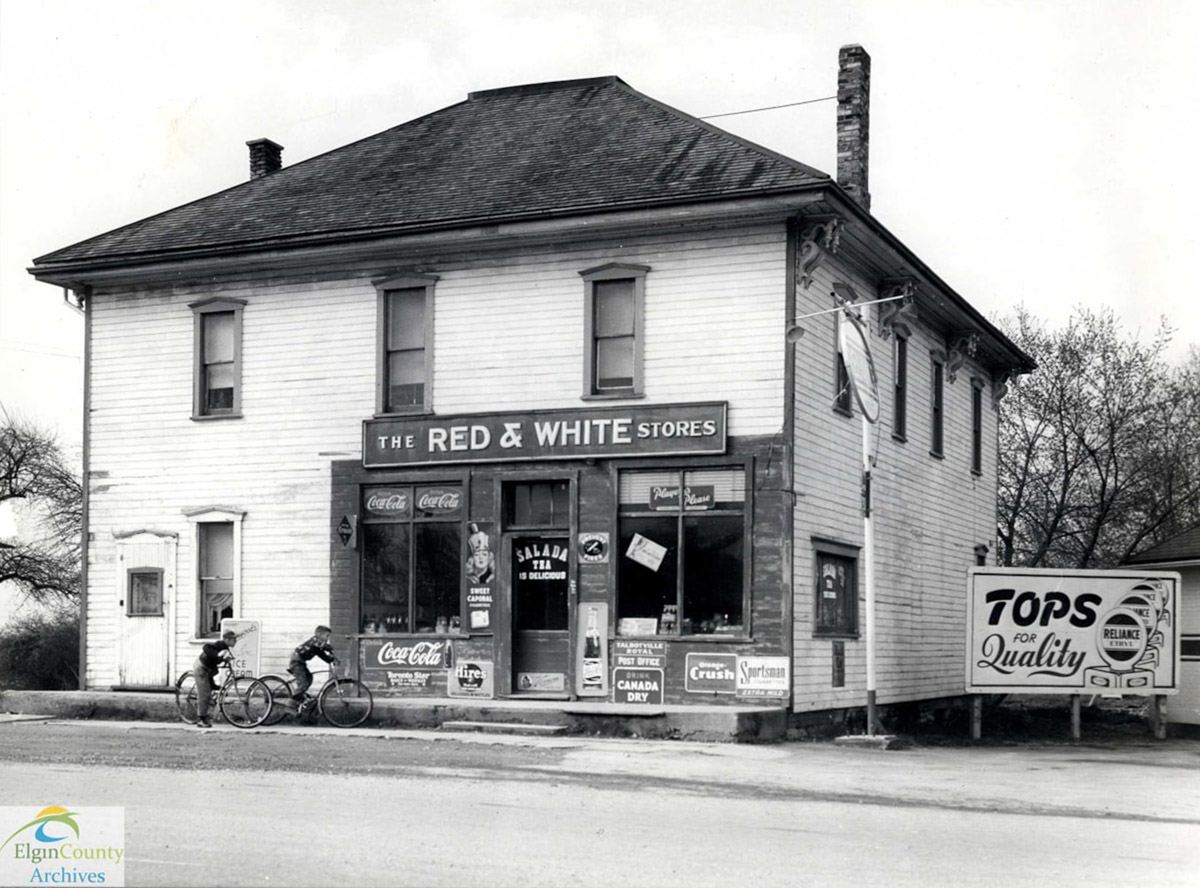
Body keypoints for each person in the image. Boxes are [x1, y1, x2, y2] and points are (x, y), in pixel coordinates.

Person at [194, 629, 238, 728]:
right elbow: (206, 647)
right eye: (233, 640)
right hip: (201, 668)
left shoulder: (226, 648)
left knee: (212, 688)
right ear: (226, 639)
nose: (235, 641)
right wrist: (218, 657)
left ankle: (210, 698)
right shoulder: (220, 644)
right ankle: (201, 719)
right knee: (204, 694)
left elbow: (222, 657)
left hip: (209, 669)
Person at [289, 625, 337, 711]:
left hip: (300, 662)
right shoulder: (315, 641)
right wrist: (330, 649)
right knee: (303, 683)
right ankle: (291, 705)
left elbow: (321, 654)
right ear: (319, 635)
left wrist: (331, 658)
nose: (328, 638)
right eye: (327, 636)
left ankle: (301, 697)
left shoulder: (317, 644)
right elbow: (322, 648)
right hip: (296, 662)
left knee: (309, 678)